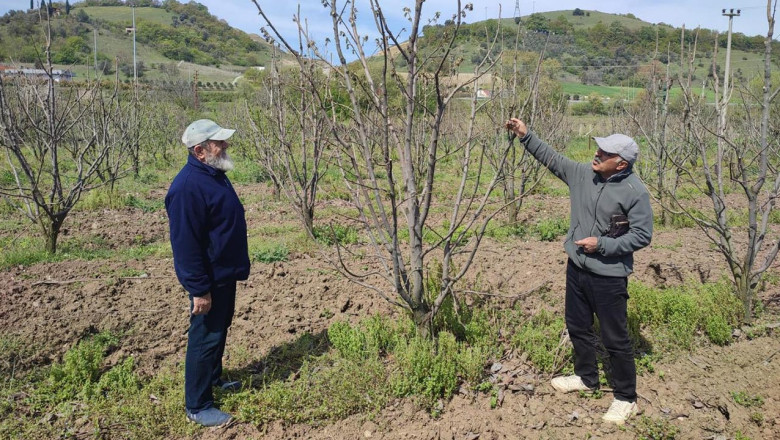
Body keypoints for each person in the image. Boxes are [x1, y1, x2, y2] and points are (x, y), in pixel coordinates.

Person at [505, 118, 653, 425]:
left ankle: (626, 398)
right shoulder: (584, 174)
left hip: (609, 276)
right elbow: (553, 159)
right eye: (598, 147)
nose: (597, 154)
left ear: (621, 163)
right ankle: (586, 378)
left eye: (605, 152)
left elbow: (642, 235)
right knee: (578, 325)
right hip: (577, 268)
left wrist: (601, 245)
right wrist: (525, 135)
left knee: (615, 338)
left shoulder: (634, 191)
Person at [165, 119, 250, 427]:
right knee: (206, 336)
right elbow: (185, 245)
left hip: (223, 272)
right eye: (218, 143)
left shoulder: (212, 173)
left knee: (219, 329)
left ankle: (213, 379)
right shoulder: (187, 188)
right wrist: (199, 289)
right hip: (209, 279)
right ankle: (198, 405)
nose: (225, 145)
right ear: (200, 151)